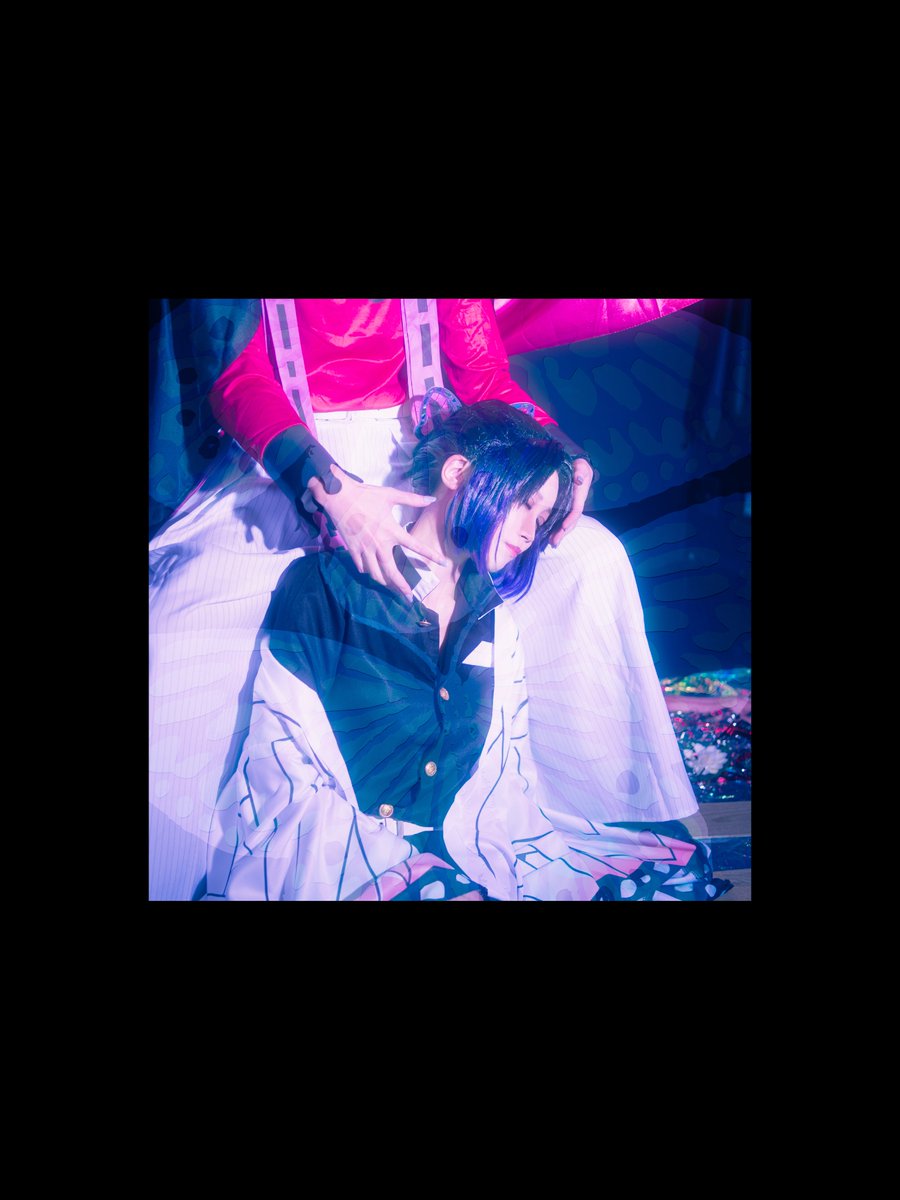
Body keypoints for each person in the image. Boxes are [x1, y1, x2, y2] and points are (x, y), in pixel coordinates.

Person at [149, 299, 707, 902]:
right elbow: (236, 377)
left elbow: (483, 375)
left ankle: (598, 809)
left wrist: (556, 452)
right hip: (279, 458)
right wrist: (331, 489)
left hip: (414, 458)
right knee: (176, 633)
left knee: (591, 560)